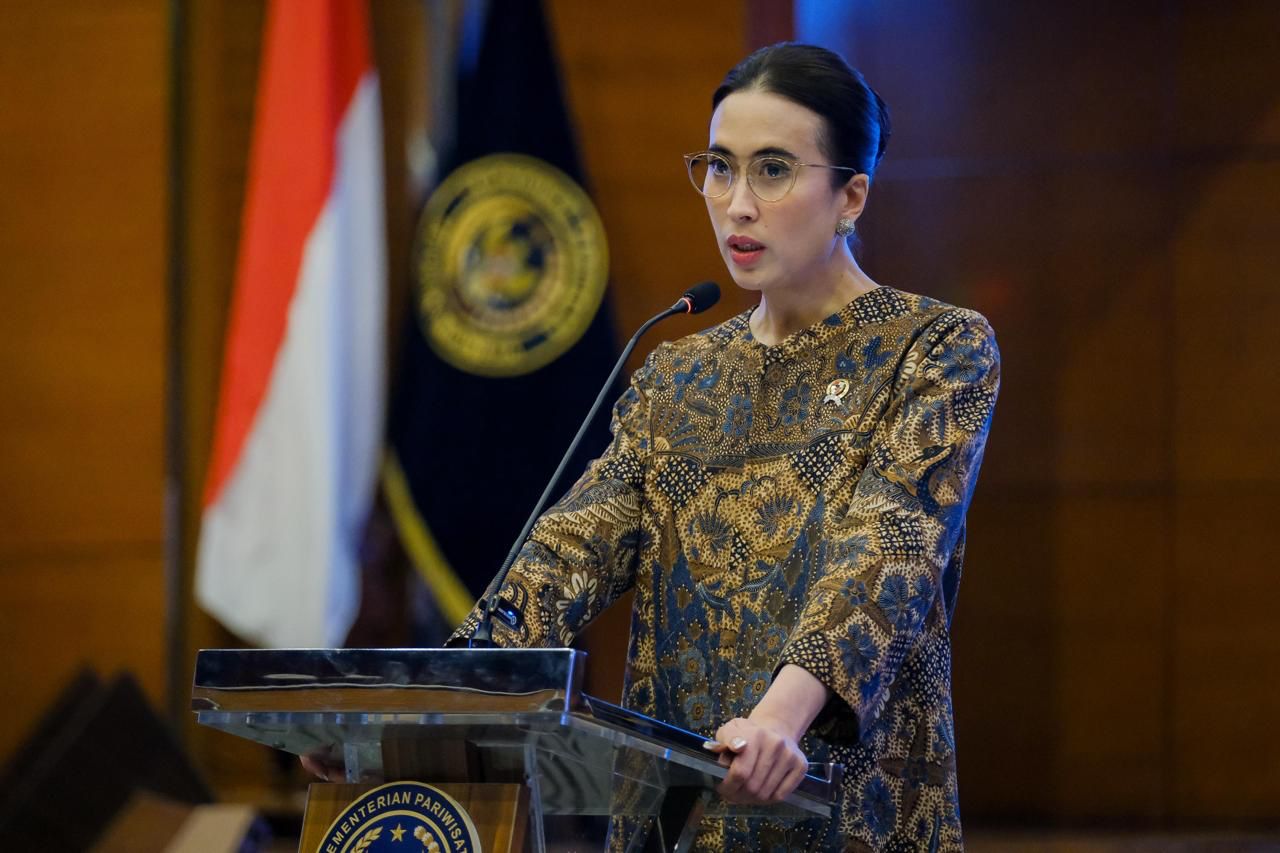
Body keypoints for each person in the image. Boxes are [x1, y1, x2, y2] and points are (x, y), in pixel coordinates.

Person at [309, 42, 999, 851]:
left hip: (848, 811)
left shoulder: (937, 348)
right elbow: (567, 553)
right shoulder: (679, 373)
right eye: (720, 167)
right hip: (679, 822)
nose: (737, 204)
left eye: (773, 170)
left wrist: (780, 716)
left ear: (851, 195)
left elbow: (887, 553)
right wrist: (413, 712)